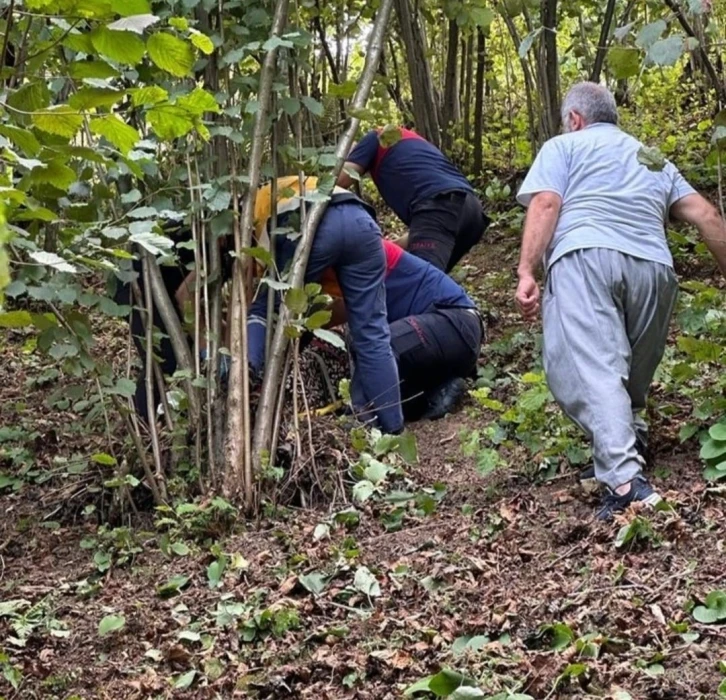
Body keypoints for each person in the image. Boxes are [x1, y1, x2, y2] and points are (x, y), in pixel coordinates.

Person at [515, 82, 726, 520]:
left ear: (575, 119)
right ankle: (632, 437)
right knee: (628, 373)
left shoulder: (563, 146)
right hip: (654, 268)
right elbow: (706, 215)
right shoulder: (652, 159)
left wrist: (526, 269)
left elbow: (547, 202)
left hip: (585, 258)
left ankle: (625, 482)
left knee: (588, 367)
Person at [247, 181, 404, 435]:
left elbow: (266, 275)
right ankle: (394, 429)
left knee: (262, 310)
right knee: (373, 334)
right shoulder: (288, 183)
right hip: (361, 221)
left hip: (313, 222)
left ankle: (245, 376)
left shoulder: (250, 210)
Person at [336, 126, 489, 272]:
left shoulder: (375, 137)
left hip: (440, 204)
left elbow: (337, 183)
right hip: (470, 210)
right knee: (434, 284)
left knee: (421, 285)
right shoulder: (410, 143)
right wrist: (389, 246)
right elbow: (429, 231)